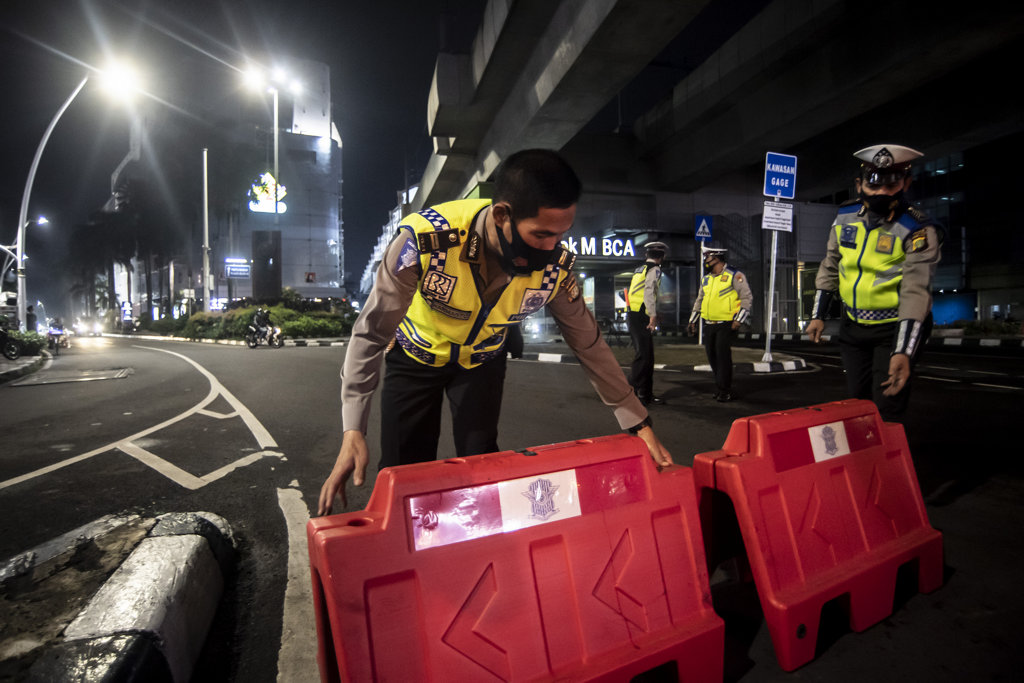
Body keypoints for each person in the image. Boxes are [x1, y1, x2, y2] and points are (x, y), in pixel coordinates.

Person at [319, 149, 673, 515]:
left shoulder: (554, 268)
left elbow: (588, 342)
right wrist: (353, 429)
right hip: (414, 358)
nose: (552, 248)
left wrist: (639, 424)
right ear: (502, 214)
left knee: (482, 473)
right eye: (541, 234)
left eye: (561, 235)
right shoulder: (426, 242)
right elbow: (372, 332)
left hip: (482, 362)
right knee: (402, 476)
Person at [806, 144, 941, 422]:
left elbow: (916, 292)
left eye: (891, 185)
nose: (881, 192)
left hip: (892, 329)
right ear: (860, 184)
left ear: (906, 183)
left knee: (887, 406)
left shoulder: (919, 229)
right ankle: (865, 459)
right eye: (874, 184)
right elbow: (831, 264)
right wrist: (818, 315)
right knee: (857, 403)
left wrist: (903, 351)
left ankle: (888, 462)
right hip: (853, 327)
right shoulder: (845, 216)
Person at [687, 245, 752, 402]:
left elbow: (746, 298)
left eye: (708, 258)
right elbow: (700, 300)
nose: (705, 261)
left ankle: (725, 390)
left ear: (717, 258)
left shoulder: (735, 275)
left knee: (723, 357)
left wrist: (738, 320)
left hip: (726, 324)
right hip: (709, 324)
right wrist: (693, 321)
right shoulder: (707, 279)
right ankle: (720, 386)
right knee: (713, 357)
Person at [626, 241, 668, 405]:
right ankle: (630, 392)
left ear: (646, 255)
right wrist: (652, 315)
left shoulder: (640, 269)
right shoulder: (655, 270)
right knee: (644, 355)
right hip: (640, 316)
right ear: (662, 257)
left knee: (648, 356)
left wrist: (654, 313)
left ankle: (646, 394)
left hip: (634, 314)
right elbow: (649, 292)